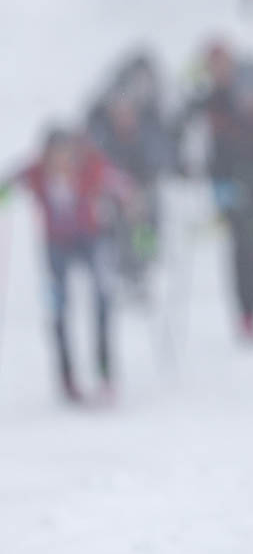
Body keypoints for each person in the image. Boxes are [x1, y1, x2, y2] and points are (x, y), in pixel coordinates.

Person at [0, 127, 138, 403]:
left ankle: (104, 370)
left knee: (103, 299)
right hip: (56, 247)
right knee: (58, 309)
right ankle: (67, 377)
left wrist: (131, 206)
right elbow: (9, 185)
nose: (62, 161)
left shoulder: (92, 167)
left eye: (66, 154)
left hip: (91, 240)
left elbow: (123, 186)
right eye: (55, 155)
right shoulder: (36, 172)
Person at [176, 43, 253, 340]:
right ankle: (247, 317)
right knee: (241, 244)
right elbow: (181, 123)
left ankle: (251, 316)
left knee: (251, 244)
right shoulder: (210, 98)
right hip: (225, 181)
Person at [86, 50, 172, 296]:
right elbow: (96, 156)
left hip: (144, 185)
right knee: (117, 225)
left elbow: (161, 153)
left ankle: (143, 269)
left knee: (145, 225)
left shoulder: (150, 121)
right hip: (115, 188)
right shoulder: (103, 124)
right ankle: (123, 270)